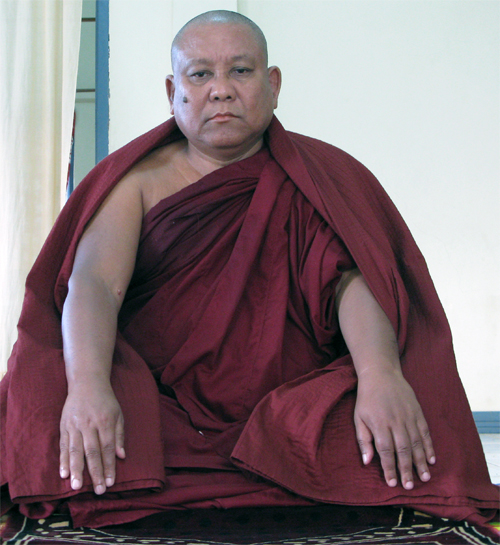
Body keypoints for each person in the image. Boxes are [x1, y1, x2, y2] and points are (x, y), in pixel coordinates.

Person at [0, 10, 498, 529]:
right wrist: (88, 388)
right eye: (200, 74)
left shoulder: (322, 178)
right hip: (164, 405)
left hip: (284, 406)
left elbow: (353, 280)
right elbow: (94, 285)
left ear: (273, 84)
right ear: (172, 91)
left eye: (240, 71)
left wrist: (380, 376)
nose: (221, 90)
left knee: (398, 404)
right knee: (42, 389)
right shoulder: (138, 182)